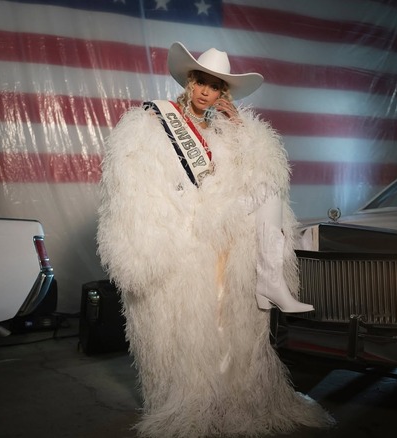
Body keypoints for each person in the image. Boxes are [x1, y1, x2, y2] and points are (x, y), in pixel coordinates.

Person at [96, 42, 333, 437]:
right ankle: (198, 396)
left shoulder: (228, 131)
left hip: (224, 239)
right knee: (198, 320)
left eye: (216, 87)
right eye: (201, 82)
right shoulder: (154, 122)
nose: (207, 91)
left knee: (228, 309)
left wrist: (241, 129)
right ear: (190, 81)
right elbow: (140, 184)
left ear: (223, 93)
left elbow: (260, 174)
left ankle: (271, 279)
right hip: (187, 236)